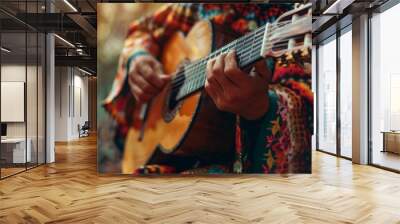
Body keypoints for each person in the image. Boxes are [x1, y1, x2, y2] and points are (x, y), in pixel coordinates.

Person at [104, 3, 312, 174]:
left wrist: (259, 107)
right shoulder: (194, 6)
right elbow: (143, 29)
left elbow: (305, 112)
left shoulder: (289, 13)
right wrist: (138, 56)